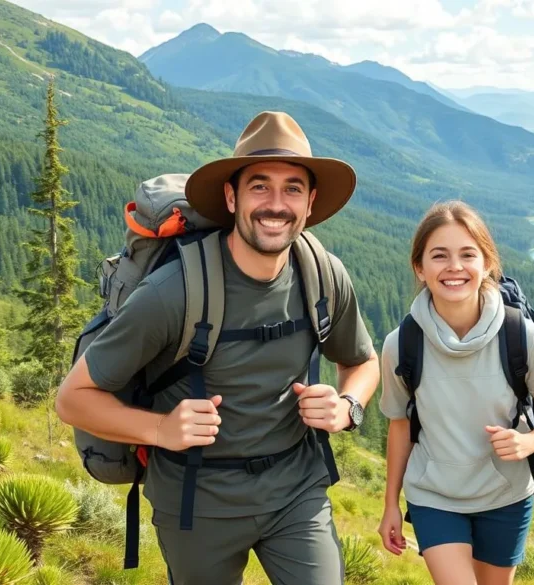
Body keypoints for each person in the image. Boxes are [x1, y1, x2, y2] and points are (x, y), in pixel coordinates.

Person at [55, 111, 380, 585]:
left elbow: (362, 361)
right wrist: (162, 428)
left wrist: (349, 405)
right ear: (231, 197)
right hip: (196, 498)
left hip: (296, 489)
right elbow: (73, 399)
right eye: (259, 186)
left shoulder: (322, 272)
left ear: (310, 203)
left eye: (292, 188)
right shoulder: (175, 291)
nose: (276, 204)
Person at [377, 201, 534, 585]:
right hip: (435, 497)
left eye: (467, 254)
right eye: (439, 256)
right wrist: (390, 504)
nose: (454, 267)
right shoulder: (402, 344)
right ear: (420, 268)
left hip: (506, 497)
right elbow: (399, 425)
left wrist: (529, 442)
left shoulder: (523, 337)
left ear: (487, 264)